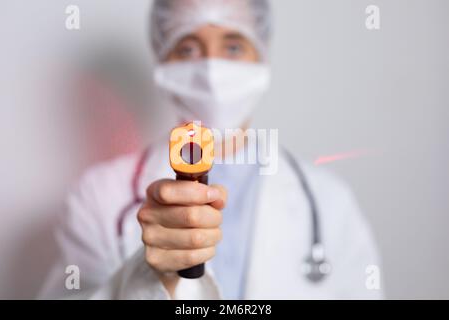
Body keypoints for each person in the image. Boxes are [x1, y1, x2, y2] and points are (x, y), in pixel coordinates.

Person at [39, 0, 383, 299]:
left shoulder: (329, 201)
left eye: (233, 47)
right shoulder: (98, 197)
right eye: (188, 48)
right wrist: (149, 277)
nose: (211, 70)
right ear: (161, 58)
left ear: (261, 55)